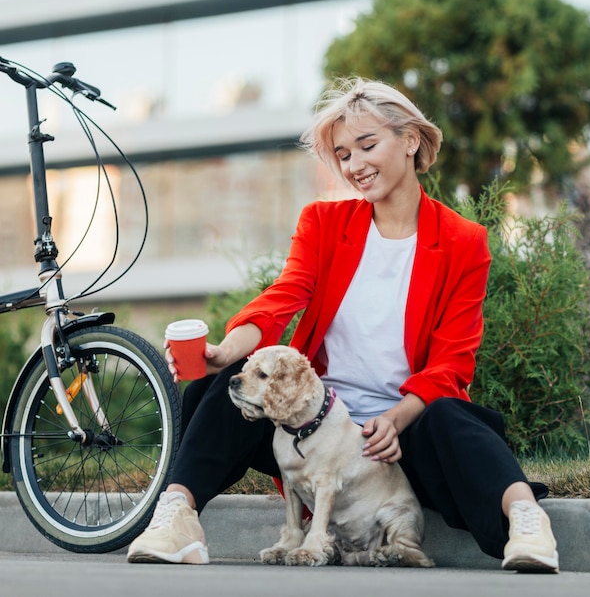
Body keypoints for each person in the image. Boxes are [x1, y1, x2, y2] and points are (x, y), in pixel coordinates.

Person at [127, 77, 559, 573]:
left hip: (400, 434)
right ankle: (178, 516)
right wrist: (227, 350)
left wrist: (395, 420)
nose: (354, 165)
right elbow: (282, 299)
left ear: (411, 140)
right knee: (226, 385)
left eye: (367, 146)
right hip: (315, 425)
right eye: (343, 154)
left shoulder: (463, 241)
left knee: (451, 417)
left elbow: (452, 361)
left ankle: (527, 523)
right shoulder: (325, 224)